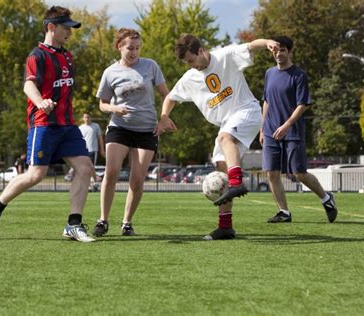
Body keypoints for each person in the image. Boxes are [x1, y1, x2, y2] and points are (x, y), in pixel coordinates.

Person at [0, 6, 95, 242]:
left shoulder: (67, 55)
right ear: (51, 27)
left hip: (68, 125)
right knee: (36, 174)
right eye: (66, 28)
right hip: (43, 124)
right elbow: (28, 85)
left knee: (85, 168)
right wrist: (40, 101)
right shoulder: (37, 55)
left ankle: (73, 224)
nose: (70, 33)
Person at [156, 33, 279, 240]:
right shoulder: (190, 78)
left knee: (225, 139)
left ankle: (237, 182)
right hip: (227, 123)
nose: (191, 66)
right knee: (222, 168)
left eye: (191, 60)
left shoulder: (225, 55)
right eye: (187, 63)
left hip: (246, 111)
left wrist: (267, 42)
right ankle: (225, 226)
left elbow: (250, 46)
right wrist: (164, 116)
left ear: (201, 51)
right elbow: (170, 97)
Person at [92, 28, 170, 237]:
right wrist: (114, 109)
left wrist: (163, 119)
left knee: (137, 179)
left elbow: (167, 95)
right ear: (119, 46)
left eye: (137, 48)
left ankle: (127, 223)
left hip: (147, 129)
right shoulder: (110, 72)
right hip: (119, 127)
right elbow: (102, 104)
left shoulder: (150, 66)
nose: (134, 52)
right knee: (112, 172)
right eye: (130, 48)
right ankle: (103, 220)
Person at [260, 35, 338, 223]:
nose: (278, 54)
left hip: (292, 131)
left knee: (299, 173)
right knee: (271, 172)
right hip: (271, 131)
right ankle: (284, 212)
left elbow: (302, 105)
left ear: (290, 51)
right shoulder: (269, 73)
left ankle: (326, 199)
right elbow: (266, 101)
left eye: (283, 50)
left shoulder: (299, 75)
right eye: (275, 50)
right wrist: (262, 129)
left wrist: (287, 125)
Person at [79, 112, 105, 188]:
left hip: (93, 150)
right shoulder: (80, 128)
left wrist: (102, 150)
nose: (87, 119)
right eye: (85, 117)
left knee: (92, 167)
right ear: (83, 119)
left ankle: (94, 183)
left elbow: (100, 138)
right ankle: (88, 184)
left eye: (88, 117)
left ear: (90, 118)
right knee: (84, 168)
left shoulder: (96, 126)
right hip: (83, 151)